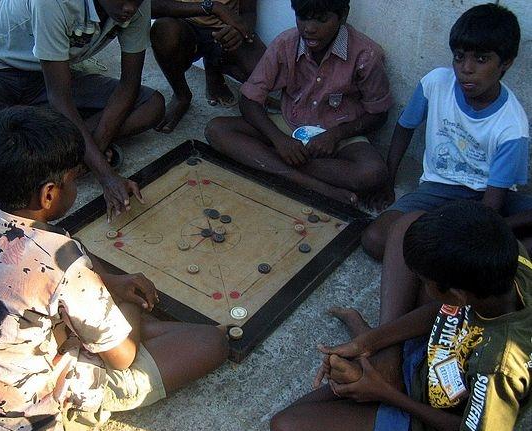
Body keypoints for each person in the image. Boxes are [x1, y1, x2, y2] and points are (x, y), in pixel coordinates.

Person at [0, 106, 228, 431]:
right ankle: (117, 328)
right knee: (211, 342)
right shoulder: (66, 264)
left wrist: (106, 284)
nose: (75, 185)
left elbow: (38, 279)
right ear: (49, 194)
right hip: (30, 415)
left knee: (115, 299)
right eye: (73, 178)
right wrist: (123, 309)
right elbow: (121, 359)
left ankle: (111, 324)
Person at [270, 201, 532, 431]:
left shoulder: (499, 367)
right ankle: (389, 363)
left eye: (427, 282)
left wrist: (385, 393)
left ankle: (385, 373)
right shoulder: (509, 263)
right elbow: (444, 310)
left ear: (458, 293)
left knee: (285, 429)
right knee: (409, 224)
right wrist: (369, 341)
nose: (422, 283)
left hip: (428, 421)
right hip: (430, 354)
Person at [0, 0, 165, 222]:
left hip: (53, 74)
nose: (130, 7)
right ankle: (69, 155)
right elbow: (60, 100)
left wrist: (97, 150)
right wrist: (106, 175)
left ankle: (73, 155)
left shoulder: (137, 5)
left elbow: (129, 85)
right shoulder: (53, 2)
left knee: (151, 105)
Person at [361, 3, 531, 261]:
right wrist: (389, 180)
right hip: (439, 188)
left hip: (488, 198)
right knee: (375, 239)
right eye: (459, 56)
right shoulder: (436, 83)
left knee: (468, 249)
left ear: (505, 62)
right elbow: (405, 127)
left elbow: (490, 206)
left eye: (481, 59)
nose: (466, 68)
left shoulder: (511, 126)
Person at [205, 0, 393, 206]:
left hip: (339, 134)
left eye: (322, 20)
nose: (309, 28)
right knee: (217, 129)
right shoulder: (286, 43)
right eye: (303, 18)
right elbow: (249, 100)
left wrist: (336, 135)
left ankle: (268, 162)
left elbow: (378, 114)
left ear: (343, 15)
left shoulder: (366, 54)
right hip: (289, 125)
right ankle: (318, 188)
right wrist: (279, 140)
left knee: (372, 173)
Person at [151, 0, 266, 133]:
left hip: (225, 29)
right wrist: (212, 7)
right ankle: (181, 95)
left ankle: (213, 68)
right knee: (164, 30)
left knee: (263, 73)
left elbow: (248, 12)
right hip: (184, 25)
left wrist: (240, 31)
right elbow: (153, 6)